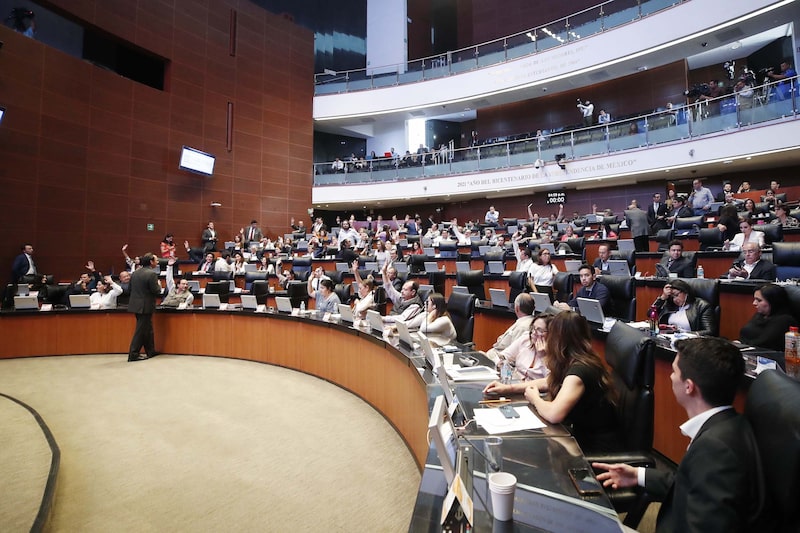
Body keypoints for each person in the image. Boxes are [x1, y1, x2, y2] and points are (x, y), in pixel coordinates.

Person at [593, 337, 764, 533]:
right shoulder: (726, 424)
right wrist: (638, 475)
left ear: (689, 387)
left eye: (674, 371)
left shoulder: (717, 449)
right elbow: (691, 483)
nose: (671, 377)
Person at [520, 311, 621, 453]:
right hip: (575, 440)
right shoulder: (577, 360)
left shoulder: (580, 371)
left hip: (592, 452)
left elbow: (554, 414)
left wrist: (535, 398)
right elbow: (546, 382)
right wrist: (507, 388)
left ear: (558, 339)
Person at [484, 314, 552, 391]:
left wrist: (543, 357)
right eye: (533, 328)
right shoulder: (526, 339)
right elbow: (503, 356)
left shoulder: (556, 353)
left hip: (535, 392)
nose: (533, 332)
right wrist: (501, 363)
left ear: (551, 334)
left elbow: (551, 382)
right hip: (513, 384)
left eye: (539, 330)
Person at [739, 284, 797, 351]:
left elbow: (764, 343)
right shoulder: (760, 315)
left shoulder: (785, 321)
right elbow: (745, 333)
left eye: (759, 300)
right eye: (755, 299)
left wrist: (742, 345)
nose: (754, 303)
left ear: (773, 301)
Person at [127, 253, 161, 362]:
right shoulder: (151, 274)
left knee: (147, 328)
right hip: (145, 306)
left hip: (136, 305)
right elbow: (156, 291)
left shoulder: (135, 273)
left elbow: (129, 289)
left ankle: (150, 351)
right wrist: (159, 285)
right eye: (156, 260)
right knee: (141, 330)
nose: (158, 262)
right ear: (151, 262)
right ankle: (133, 354)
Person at [485, 293, 536, 363]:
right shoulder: (525, 321)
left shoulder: (523, 327)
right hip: (496, 353)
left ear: (517, 308)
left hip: (499, 359)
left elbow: (513, 354)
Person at [380, 262, 424, 328]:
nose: (402, 291)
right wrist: (384, 273)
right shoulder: (402, 298)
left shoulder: (415, 305)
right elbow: (389, 287)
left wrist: (383, 318)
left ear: (413, 292)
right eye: (402, 289)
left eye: (405, 290)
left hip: (401, 329)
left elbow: (402, 318)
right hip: (391, 325)